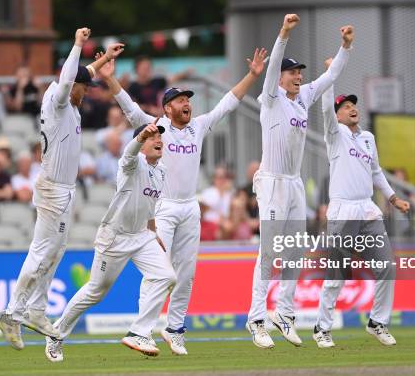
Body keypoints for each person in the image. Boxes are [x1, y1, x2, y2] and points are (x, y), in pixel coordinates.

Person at [99, 44, 268, 355]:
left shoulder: (199, 127)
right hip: (162, 207)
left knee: (186, 273)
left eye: (188, 99)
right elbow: (130, 108)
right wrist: (110, 80)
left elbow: (228, 103)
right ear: (167, 108)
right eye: (180, 100)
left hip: (190, 206)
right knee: (159, 272)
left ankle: (175, 328)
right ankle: (142, 330)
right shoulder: (158, 127)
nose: (186, 104)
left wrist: (252, 75)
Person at [0, 28, 124, 350]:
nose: (87, 92)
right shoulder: (57, 100)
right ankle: (12, 313)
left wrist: (105, 59)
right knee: (41, 251)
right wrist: (78, 44)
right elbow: (70, 77)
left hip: (64, 189)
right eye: (85, 88)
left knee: (55, 251)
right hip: (54, 188)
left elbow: (82, 73)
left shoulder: (72, 101)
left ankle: (36, 310)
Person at [246, 14, 352, 350]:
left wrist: (346, 47)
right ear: (280, 78)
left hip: (293, 183)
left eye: (299, 73)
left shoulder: (304, 96)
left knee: (295, 251)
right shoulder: (271, 97)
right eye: (293, 73)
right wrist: (284, 34)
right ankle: (256, 319)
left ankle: (285, 314)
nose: (298, 76)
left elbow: (330, 75)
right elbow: (276, 61)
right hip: (272, 182)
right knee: (269, 253)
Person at [45, 121, 175, 361]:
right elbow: (128, 155)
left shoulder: (162, 170)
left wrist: (154, 233)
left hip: (141, 235)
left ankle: (140, 332)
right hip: (115, 236)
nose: (158, 140)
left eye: (160, 137)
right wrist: (138, 139)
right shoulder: (132, 164)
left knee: (167, 276)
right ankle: (56, 333)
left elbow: (149, 207)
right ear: (142, 144)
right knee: (96, 291)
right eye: (152, 137)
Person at [311, 57, 410, 349]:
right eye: (346, 107)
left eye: (354, 105)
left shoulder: (367, 138)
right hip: (343, 209)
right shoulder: (335, 134)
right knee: (338, 271)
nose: (352, 108)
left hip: (367, 208)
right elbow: (326, 109)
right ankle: (321, 327)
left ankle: (378, 322)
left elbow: (376, 172)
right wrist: (330, 75)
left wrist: (393, 197)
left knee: (386, 267)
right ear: (338, 115)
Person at [128, 55, 192, 116]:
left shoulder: (156, 82)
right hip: (142, 117)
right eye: (144, 68)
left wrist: (186, 73)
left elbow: (172, 78)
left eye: (148, 68)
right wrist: (149, 109)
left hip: (158, 115)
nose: (147, 70)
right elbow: (131, 106)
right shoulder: (132, 87)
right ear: (136, 69)